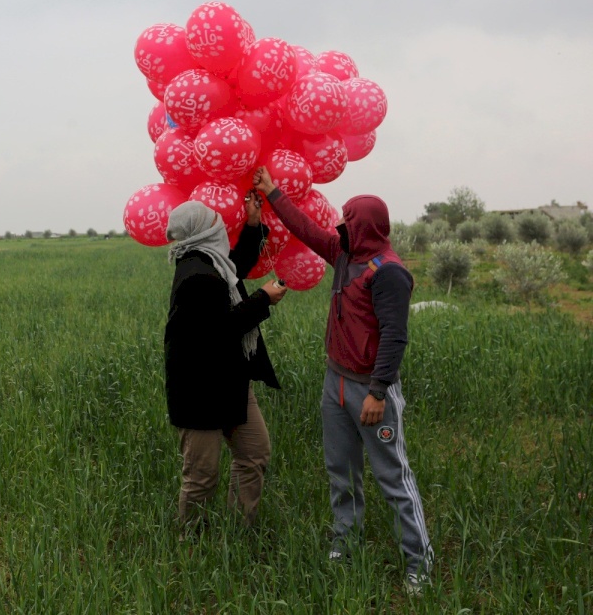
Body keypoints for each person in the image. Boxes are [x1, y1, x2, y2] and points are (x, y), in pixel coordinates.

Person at [253, 166, 433, 595]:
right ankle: (345, 542)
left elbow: (395, 335)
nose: (340, 226)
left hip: (370, 391)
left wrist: (377, 392)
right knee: (341, 471)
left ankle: (418, 564)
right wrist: (272, 192)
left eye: (348, 219)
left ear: (363, 226)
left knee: (394, 478)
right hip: (334, 383)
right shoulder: (344, 254)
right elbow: (307, 229)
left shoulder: (387, 271)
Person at [164, 194, 288, 533]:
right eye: (212, 220)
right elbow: (219, 332)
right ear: (203, 231)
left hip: (230, 382)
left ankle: (238, 533)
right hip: (200, 391)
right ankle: (191, 547)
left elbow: (237, 265)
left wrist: (252, 223)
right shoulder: (197, 276)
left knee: (254, 453)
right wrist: (264, 298)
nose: (219, 223)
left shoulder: (207, 262)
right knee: (202, 478)